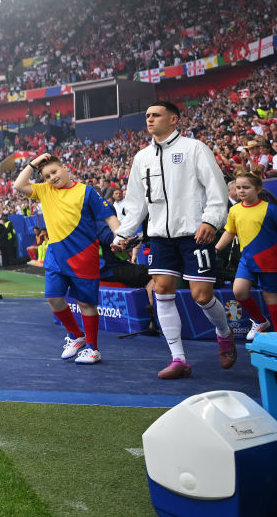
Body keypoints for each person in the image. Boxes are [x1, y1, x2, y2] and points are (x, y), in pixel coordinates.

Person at [112, 101, 232, 379]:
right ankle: (179, 359)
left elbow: (217, 190)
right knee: (161, 291)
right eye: (147, 116)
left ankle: (223, 332)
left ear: (174, 119)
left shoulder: (195, 149)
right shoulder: (141, 157)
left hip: (195, 233)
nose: (150, 120)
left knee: (202, 296)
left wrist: (210, 221)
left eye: (156, 115)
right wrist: (122, 235)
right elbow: (136, 202)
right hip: (159, 237)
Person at [14, 154, 121, 364]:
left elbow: (110, 217)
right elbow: (19, 184)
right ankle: (75, 335)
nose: (52, 178)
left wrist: (120, 237)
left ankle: (93, 349)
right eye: (46, 176)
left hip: (84, 255)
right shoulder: (45, 191)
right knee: (53, 297)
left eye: (54, 172)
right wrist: (34, 163)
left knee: (86, 303)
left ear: (65, 167)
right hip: (56, 256)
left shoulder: (86, 192)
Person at [215, 172, 277, 341]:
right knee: (239, 292)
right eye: (238, 187)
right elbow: (229, 232)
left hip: (269, 260)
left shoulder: (271, 209)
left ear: (258, 189)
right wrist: (216, 249)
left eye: (246, 187)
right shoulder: (234, 210)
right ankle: (260, 321)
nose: (241, 191)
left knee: (270, 296)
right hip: (247, 260)